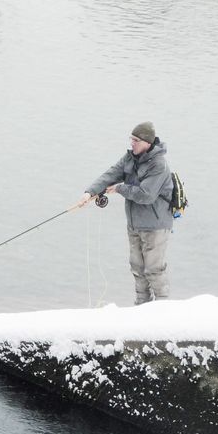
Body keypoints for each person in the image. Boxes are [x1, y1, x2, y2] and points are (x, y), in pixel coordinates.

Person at [77, 122, 173, 305]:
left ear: (147, 142)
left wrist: (121, 189)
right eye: (131, 139)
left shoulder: (159, 165)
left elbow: (146, 195)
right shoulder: (131, 158)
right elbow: (111, 174)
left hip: (156, 226)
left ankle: (163, 310)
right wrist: (89, 193)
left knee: (154, 269)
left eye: (136, 140)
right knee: (137, 267)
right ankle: (141, 307)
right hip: (135, 225)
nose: (132, 143)